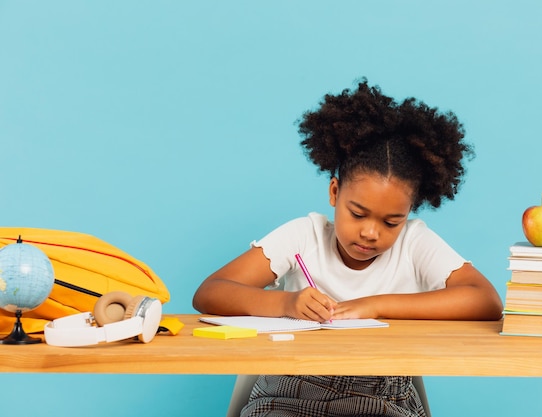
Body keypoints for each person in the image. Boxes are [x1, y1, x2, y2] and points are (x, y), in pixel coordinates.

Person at [192, 79, 503, 417]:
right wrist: (286, 302)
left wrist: (375, 305)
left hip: (383, 396)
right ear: (334, 193)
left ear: (408, 216)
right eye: (357, 213)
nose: (370, 233)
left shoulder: (415, 243)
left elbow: (485, 300)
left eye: (391, 222)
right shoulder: (303, 236)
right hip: (292, 388)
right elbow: (210, 292)